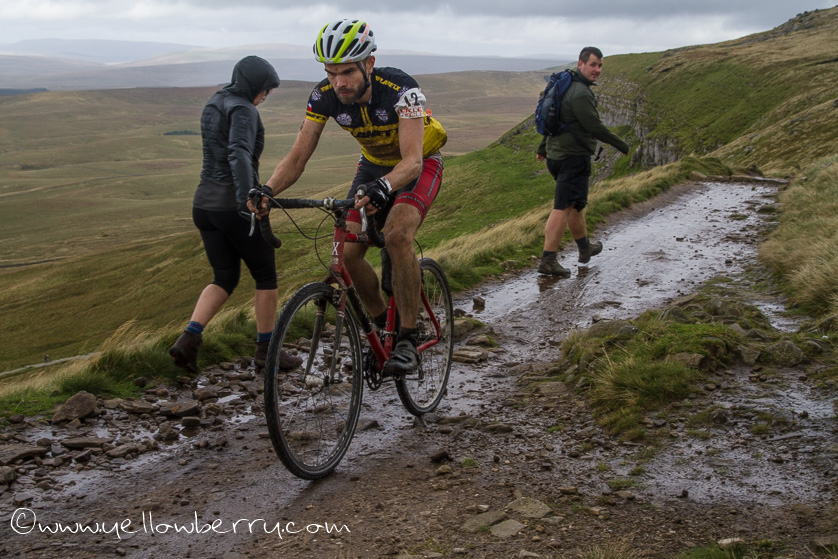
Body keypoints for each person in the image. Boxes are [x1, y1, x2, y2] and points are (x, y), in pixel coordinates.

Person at [251, 19, 447, 375]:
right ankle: (381, 328)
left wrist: (384, 187)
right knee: (347, 253)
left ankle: (407, 337)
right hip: (372, 166)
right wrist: (267, 190)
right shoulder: (323, 96)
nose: (338, 82)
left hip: (418, 164)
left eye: (347, 72)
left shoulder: (402, 89)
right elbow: (297, 157)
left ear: (369, 64)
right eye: (330, 73)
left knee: (397, 234)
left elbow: (412, 161)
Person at [169, 55, 301, 374]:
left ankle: (188, 341)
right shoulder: (244, 109)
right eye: (265, 89)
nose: (266, 95)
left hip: (204, 204)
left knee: (224, 277)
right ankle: (267, 350)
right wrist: (248, 197)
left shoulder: (214, 102)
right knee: (265, 276)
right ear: (254, 85)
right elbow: (238, 153)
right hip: (232, 205)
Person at [536, 46, 630, 277]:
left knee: (575, 205)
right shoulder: (580, 93)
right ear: (581, 64)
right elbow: (594, 126)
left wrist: (543, 147)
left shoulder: (567, 85)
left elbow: (556, 119)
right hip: (572, 158)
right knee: (562, 207)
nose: (597, 70)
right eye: (593, 65)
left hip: (557, 155)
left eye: (600, 66)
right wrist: (622, 145)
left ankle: (584, 247)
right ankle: (548, 260)